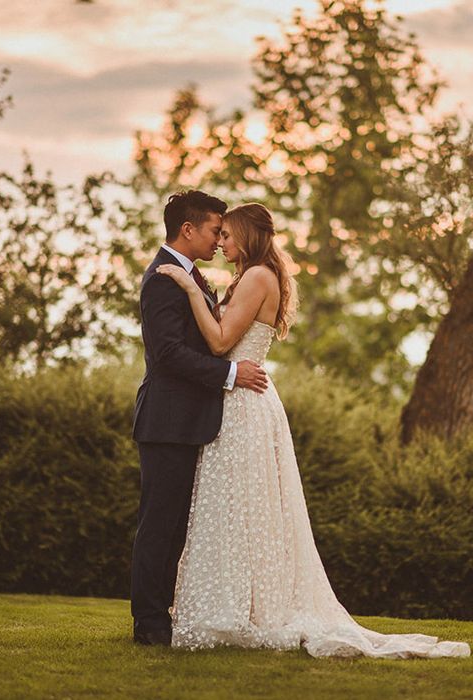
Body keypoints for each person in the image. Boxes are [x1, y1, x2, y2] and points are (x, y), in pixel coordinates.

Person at [156, 201, 471, 659]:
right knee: (234, 506)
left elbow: (222, 342)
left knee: (240, 504)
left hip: (244, 402)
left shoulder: (259, 276)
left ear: (246, 236)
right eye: (217, 234)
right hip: (238, 399)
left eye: (227, 234)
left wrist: (188, 287)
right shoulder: (251, 276)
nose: (221, 241)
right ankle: (241, 602)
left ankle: (250, 609)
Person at [130, 190, 268, 646]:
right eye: (214, 230)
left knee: (176, 532)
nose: (217, 240)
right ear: (187, 229)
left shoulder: (190, 277)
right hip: (167, 422)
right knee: (159, 525)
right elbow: (167, 354)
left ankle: (165, 618)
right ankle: (149, 625)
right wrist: (230, 372)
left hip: (192, 422)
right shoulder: (162, 280)